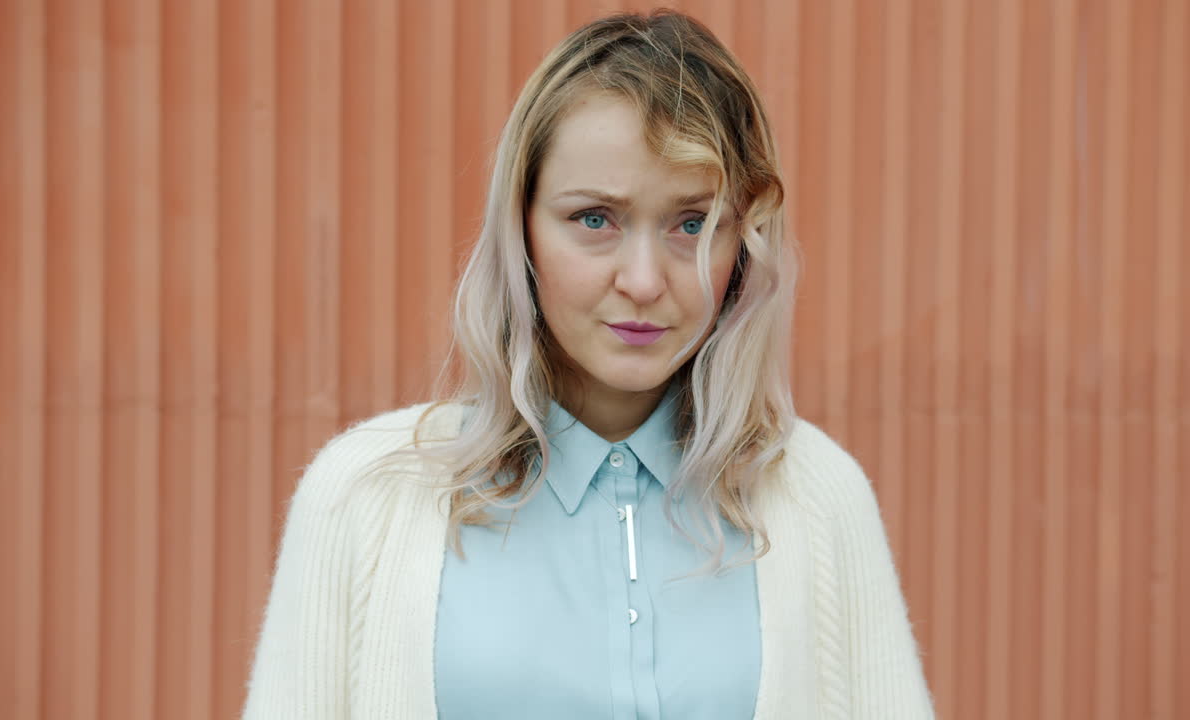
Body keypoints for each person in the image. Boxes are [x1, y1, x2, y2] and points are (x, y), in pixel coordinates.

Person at [242, 9, 933, 719]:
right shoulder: (365, 496)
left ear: (743, 243)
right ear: (521, 230)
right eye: (595, 219)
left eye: (692, 224)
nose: (643, 280)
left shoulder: (817, 498)